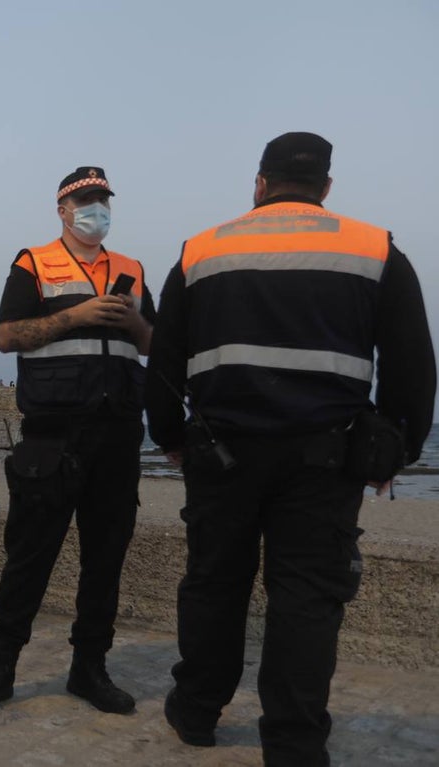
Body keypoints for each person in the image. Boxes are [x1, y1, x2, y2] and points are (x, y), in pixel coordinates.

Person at [145, 132, 436, 765]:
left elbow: (165, 358)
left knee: (213, 583)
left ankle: (196, 713)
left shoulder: (201, 251)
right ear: (326, 189)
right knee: (307, 596)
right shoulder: (373, 248)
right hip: (323, 460)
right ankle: (296, 742)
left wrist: (168, 436)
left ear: (259, 182)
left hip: (220, 455)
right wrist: (399, 448)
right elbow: (413, 364)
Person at [0, 166, 154, 717]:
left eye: (103, 200)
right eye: (86, 200)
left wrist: (132, 322)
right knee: (28, 556)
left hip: (117, 434)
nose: (98, 209)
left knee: (105, 558)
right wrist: (78, 315)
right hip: (52, 435)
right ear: (63, 210)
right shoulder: (33, 263)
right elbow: (6, 337)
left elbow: (153, 343)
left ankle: (89, 670)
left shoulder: (133, 270)